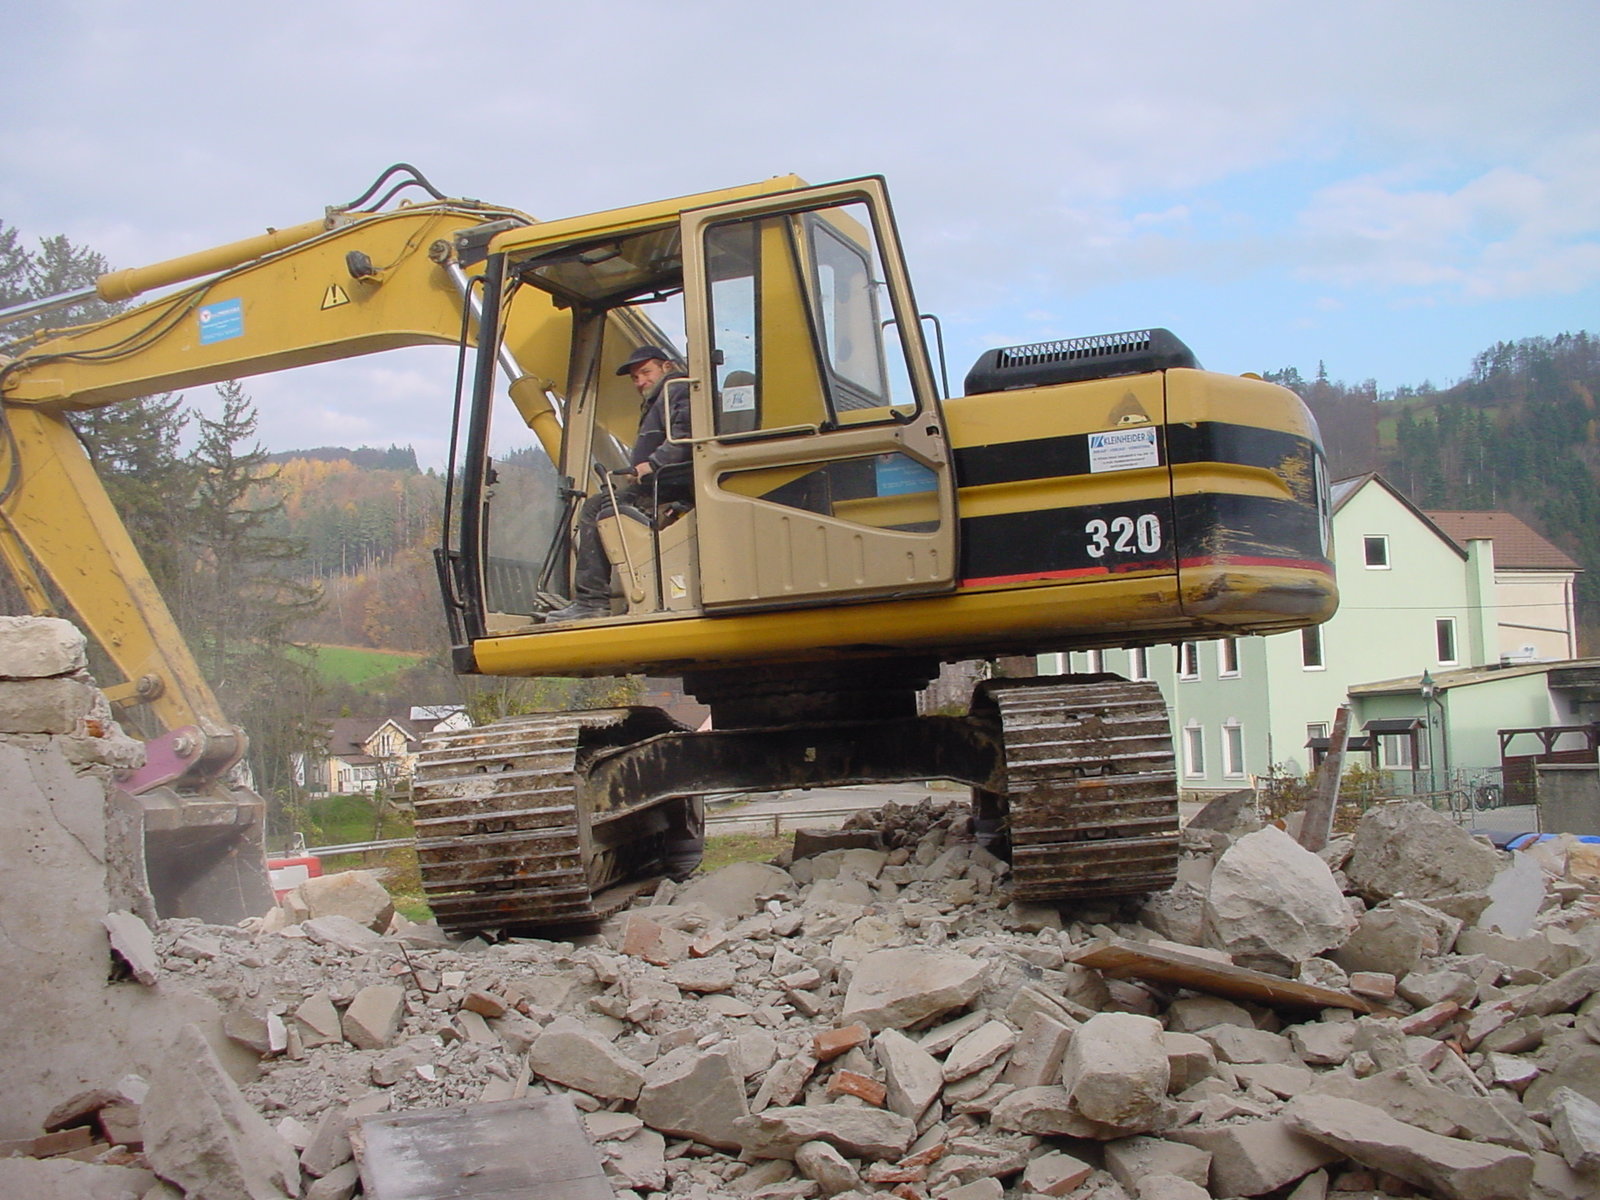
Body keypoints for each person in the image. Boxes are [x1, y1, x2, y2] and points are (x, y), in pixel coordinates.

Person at [544, 346, 693, 622]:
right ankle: (597, 598)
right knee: (599, 506)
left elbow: (684, 436)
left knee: (598, 509)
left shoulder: (678, 389)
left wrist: (653, 464)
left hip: (671, 482)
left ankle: (591, 601)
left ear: (667, 367)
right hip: (662, 480)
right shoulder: (661, 397)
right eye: (635, 378)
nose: (640, 382)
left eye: (646, 372)